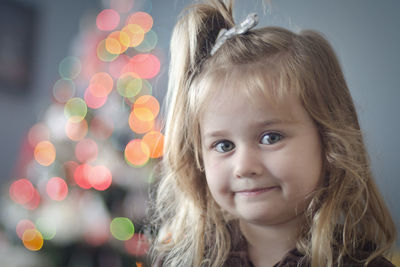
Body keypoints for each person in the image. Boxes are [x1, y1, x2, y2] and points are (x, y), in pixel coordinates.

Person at [149, 0, 397, 266]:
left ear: (329, 141)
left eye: (270, 138)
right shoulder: (184, 260)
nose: (244, 167)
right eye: (223, 145)